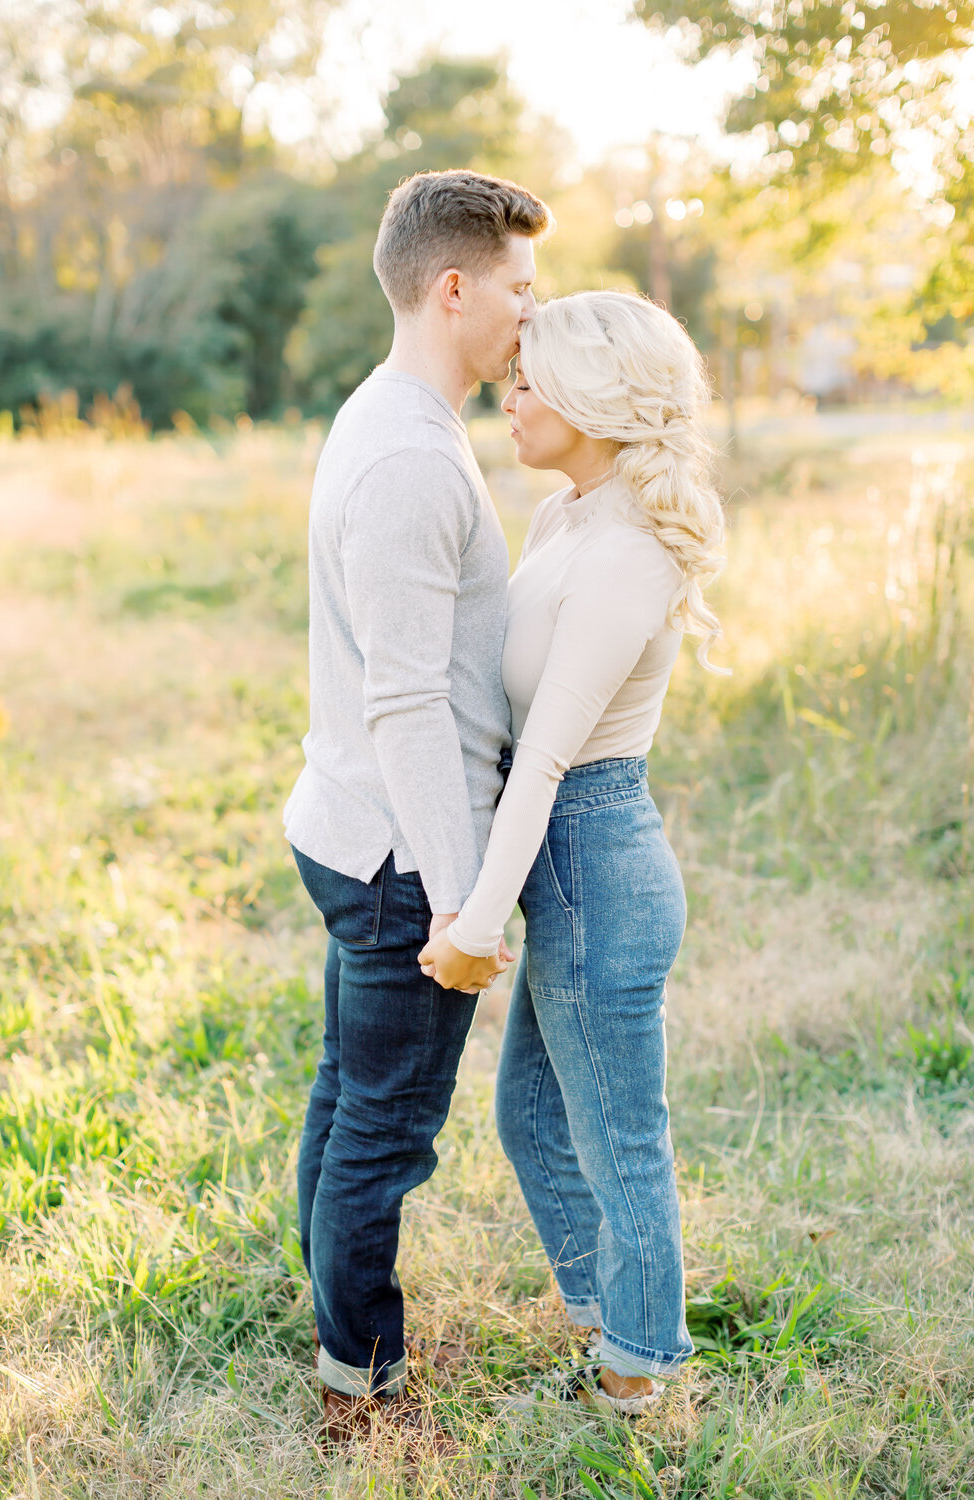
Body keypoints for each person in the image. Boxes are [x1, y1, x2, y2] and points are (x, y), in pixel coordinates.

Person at [419, 289, 727, 1414]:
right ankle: (612, 1321)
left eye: (532, 379)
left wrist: (474, 925)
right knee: (535, 1118)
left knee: (617, 1138)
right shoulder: (564, 516)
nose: (512, 394)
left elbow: (546, 761)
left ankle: (641, 1374)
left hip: (594, 856)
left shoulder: (632, 551)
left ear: (596, 399)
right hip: (559, 849)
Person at [282, 168, 551, 1446]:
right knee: (384, 1127)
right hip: (398, 852)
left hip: (364, 828)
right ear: (454, 287)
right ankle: (361, 1383)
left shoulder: (399, 420)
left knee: (350, 1097)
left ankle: (340, 1330)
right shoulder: (404, 457)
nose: (527, 314)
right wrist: (461, 898)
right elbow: (404, 705)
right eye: (516, 286)